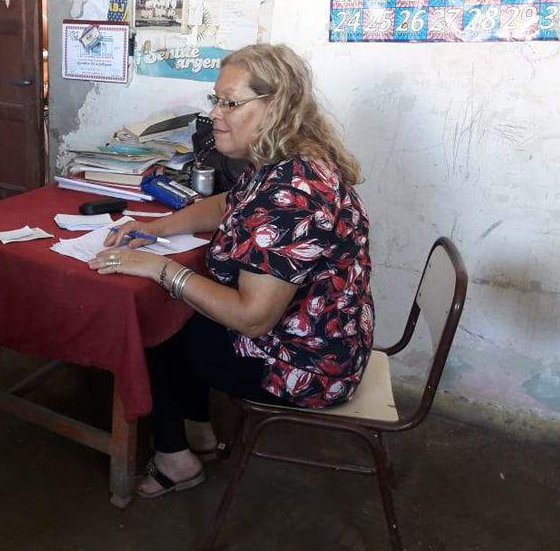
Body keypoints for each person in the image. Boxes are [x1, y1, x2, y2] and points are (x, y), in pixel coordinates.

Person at [88, 44, 374, 498]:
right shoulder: (285, 164)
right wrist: (152, 227)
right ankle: (197, 432)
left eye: (231, 103)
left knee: (159, 322)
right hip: (328, 337)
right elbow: (227, 204)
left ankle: (174, 457)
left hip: (307, 367)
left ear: (276, 107)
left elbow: (252, 318)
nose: (216, 115)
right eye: (215, 100)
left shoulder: (292, 193)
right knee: (184, 310)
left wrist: (162, 269)